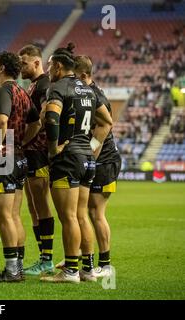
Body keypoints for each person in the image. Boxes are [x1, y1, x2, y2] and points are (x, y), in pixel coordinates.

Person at [39, 43, 113, 284]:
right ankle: (88, 270)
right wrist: (90, 148)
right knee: (81, 215)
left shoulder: (58, 87)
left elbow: (51, 118)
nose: (48, 70)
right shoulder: (88, 89)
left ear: (58, 66)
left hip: (67, 158)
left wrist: (52, 149)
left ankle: (70, 271)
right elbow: (107, 121)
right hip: (87, 158)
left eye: (50, 66)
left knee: (69, 217)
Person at [0, 51, 41, 282]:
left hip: (3, 159)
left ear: (2, 67)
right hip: (17, 157)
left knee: (4, 216)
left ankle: (12, 271)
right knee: (14, 216)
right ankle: (18, 267)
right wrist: (21, 141)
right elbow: (36, 122)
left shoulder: (4, 90)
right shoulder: (22, 92)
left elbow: (2, 119)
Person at [74, 55, 121, 278]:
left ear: (84, 76)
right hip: (96, 159)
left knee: (95, 212)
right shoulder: (86, 92)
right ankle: (84, 258)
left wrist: (89, 155)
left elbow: (104, 128)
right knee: (81, 212)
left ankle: (105, 264)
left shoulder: (94, 94)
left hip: (104, 161)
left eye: (74, 77)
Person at [18, 44, 55, 276]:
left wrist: (24, 141)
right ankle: (43, 257)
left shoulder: (44, 85)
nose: (21, 66)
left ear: (36, 62)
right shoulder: (33, 85)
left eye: (24, 62)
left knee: (41, 205)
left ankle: (47, 259)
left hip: (39, 152)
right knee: (33, 206)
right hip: (32, 153)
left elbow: (43, 118)